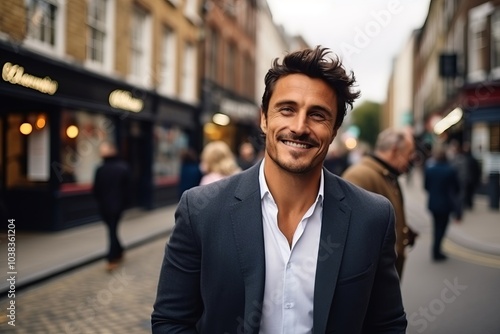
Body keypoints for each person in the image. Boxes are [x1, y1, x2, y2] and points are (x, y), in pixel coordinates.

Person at [152, 46, 407, 333]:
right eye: (287, 109)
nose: (299, 127)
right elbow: (171, 321)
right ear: (264, 118)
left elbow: (387, 324)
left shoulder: (372, 216)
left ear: (334, 130)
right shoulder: (200, 209)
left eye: (318, 115)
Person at [342, 128, 418, 279]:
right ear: (395, 151)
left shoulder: (387, 174)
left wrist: (404, 230)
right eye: (409, 154)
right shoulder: (359, 176)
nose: (410, 159)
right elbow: (351, 237)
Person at [92, 141, 131, 272]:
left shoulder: (100, 169)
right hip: (117, 206)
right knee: (112, 230)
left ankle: (111, 258)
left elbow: (96, 190)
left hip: (105, 206)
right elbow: (128, 189)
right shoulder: (123, 167)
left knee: (111, 230)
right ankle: (119, 250)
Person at [424, 146, 461, 261]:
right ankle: (437, 251)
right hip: (446, 203)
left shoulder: (430, 169)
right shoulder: (450, 170)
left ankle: (436, 250)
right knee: (442, 228)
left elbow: (426, 186)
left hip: (433, 203)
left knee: (436, 227)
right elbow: (456, 188)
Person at [450, 141, 481, 212]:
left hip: (468, 179)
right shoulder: (462, 158)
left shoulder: (466, 159)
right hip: (466, 179)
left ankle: (467, 205)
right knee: (465, 193)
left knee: (467, 193)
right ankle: (466, 205)